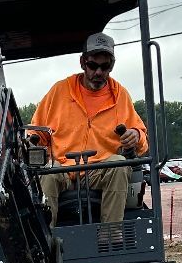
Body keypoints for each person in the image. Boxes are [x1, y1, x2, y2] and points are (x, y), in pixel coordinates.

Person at [30, 32, 149, 225]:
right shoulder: (59, 92)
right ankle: (46, 241)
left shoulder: (120, 96)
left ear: (112, 65)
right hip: (64, 171)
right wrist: (31, 141)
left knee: (119, 164)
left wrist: (135, 135)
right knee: (48, 172)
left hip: (99, 171)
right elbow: (36, 133)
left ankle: (111, 235)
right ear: (82, 62)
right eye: (93, 65)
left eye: (105, 66)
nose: (98, 72)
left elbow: (141, 138)